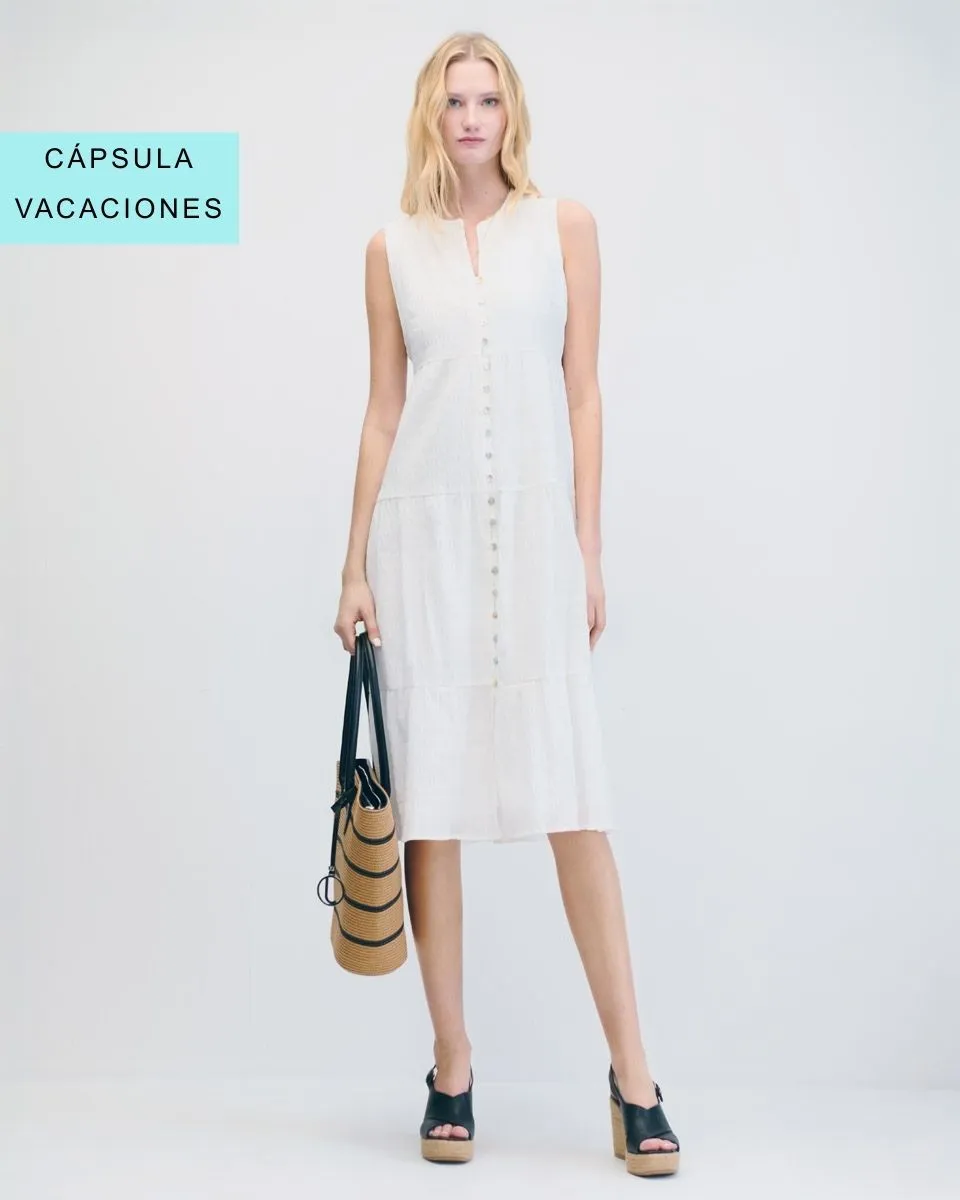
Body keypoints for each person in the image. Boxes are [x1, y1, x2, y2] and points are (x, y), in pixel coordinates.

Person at [333, 31, 680, 1177]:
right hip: (421, 545)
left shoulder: (563, 227)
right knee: (429, 809)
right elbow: (384, 412)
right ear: (430, 116)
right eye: (454, 100)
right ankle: (451, 1065)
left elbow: (583, 395)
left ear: (511, 112)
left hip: (533, 544)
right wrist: (353, 566)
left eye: (488, 98)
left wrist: (588, 547)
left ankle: (635, 1079)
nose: (472, 116)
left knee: (574, 799)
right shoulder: (391, 250)